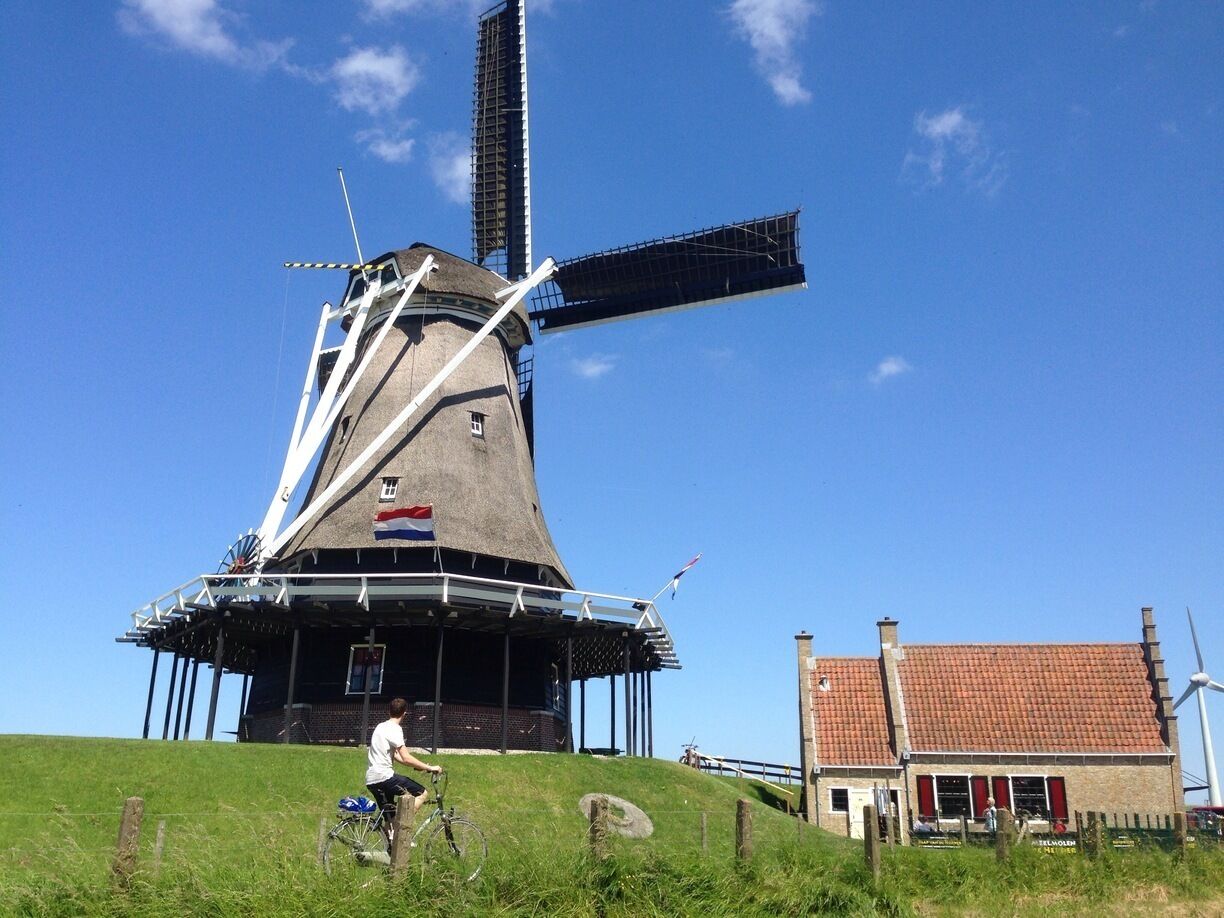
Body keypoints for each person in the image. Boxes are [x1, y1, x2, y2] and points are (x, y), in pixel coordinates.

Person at [365, 697, 441, 839]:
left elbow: (397, 757)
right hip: (384, 777)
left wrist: (421, 766)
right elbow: (406, 757)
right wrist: (430, 768)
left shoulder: (380, 726)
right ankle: (403, 832)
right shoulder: (395, 729)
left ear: (389, 711)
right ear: (404, 713)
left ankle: (391, 849)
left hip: (371, 779)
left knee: (390, 818)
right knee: (422, 793)